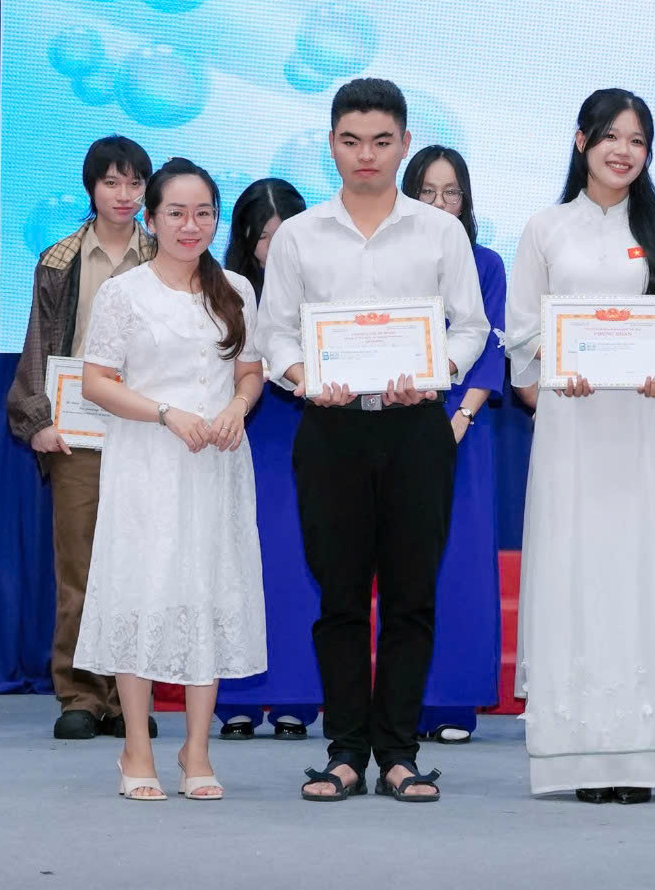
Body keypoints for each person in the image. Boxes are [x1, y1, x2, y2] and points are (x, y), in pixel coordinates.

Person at [257, 77, 492, 804]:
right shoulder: (299, 235)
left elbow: (472, 326)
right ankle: (344, 753)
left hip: (416, 429)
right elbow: (274, 333)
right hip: (330, 429)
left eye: (382, 141)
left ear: (404, 144)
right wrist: (305, 377)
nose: (367, 155)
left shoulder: (440, 232)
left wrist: (435, 375)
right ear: (331, 144)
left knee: (411, 597)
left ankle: (398, 753)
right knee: (340, 598)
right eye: (352, 141)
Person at [507, 89, 655, 802]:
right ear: (582, 141)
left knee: (643, 572)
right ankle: (578, 756)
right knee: (574, 569)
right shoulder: (546, 228)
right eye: (610, 136)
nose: (623, 151)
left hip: (644, 423)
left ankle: (644, 756)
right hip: (572, 427)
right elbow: (521, 332)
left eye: (637, 140)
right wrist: (554, 367)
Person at [75, 160, 268, 800]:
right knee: (141, 594)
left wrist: (237, 407)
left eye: (203, 213)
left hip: (215, 466)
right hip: (147, 462)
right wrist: (165, 413)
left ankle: (197, 750)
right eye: (177, 213)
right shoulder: (124, 293)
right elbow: (96, 382)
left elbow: (250, 372)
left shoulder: (235, 288)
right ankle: (136, 748)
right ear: (152, 219)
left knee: (206, 594)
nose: (191, 226)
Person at [6, 134, 156, 740]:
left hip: (149, 430)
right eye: (112, 182)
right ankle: (80, 693)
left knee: (142, 568)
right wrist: (37, 420)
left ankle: (128, 698)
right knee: (81, 569)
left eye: (136, 183)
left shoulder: (167, 255)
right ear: (91, 189)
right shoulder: (59, 260)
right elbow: (38, 344)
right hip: (78, 434)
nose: (124, 194)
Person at [406, 145, 508, 745]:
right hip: (395, 422)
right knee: (402, 564)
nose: (440, 203)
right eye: (427, 192)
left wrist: (461, 418)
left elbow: (490, 344)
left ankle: (454, 701)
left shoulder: (485, 262)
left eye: (451, 193)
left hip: (462, 433)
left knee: (459, 565)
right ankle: (404, 699)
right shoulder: (390, 258)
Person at [216, 178, 320, 741]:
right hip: (241, 435)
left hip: (306, 432)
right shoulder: (223, 290)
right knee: (235, 565)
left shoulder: (324, 287)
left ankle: (295, 698)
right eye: (263, 238)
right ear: (245, 238)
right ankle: (233, 698)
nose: (274, 249)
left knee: (295, 566)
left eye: (285, 237)